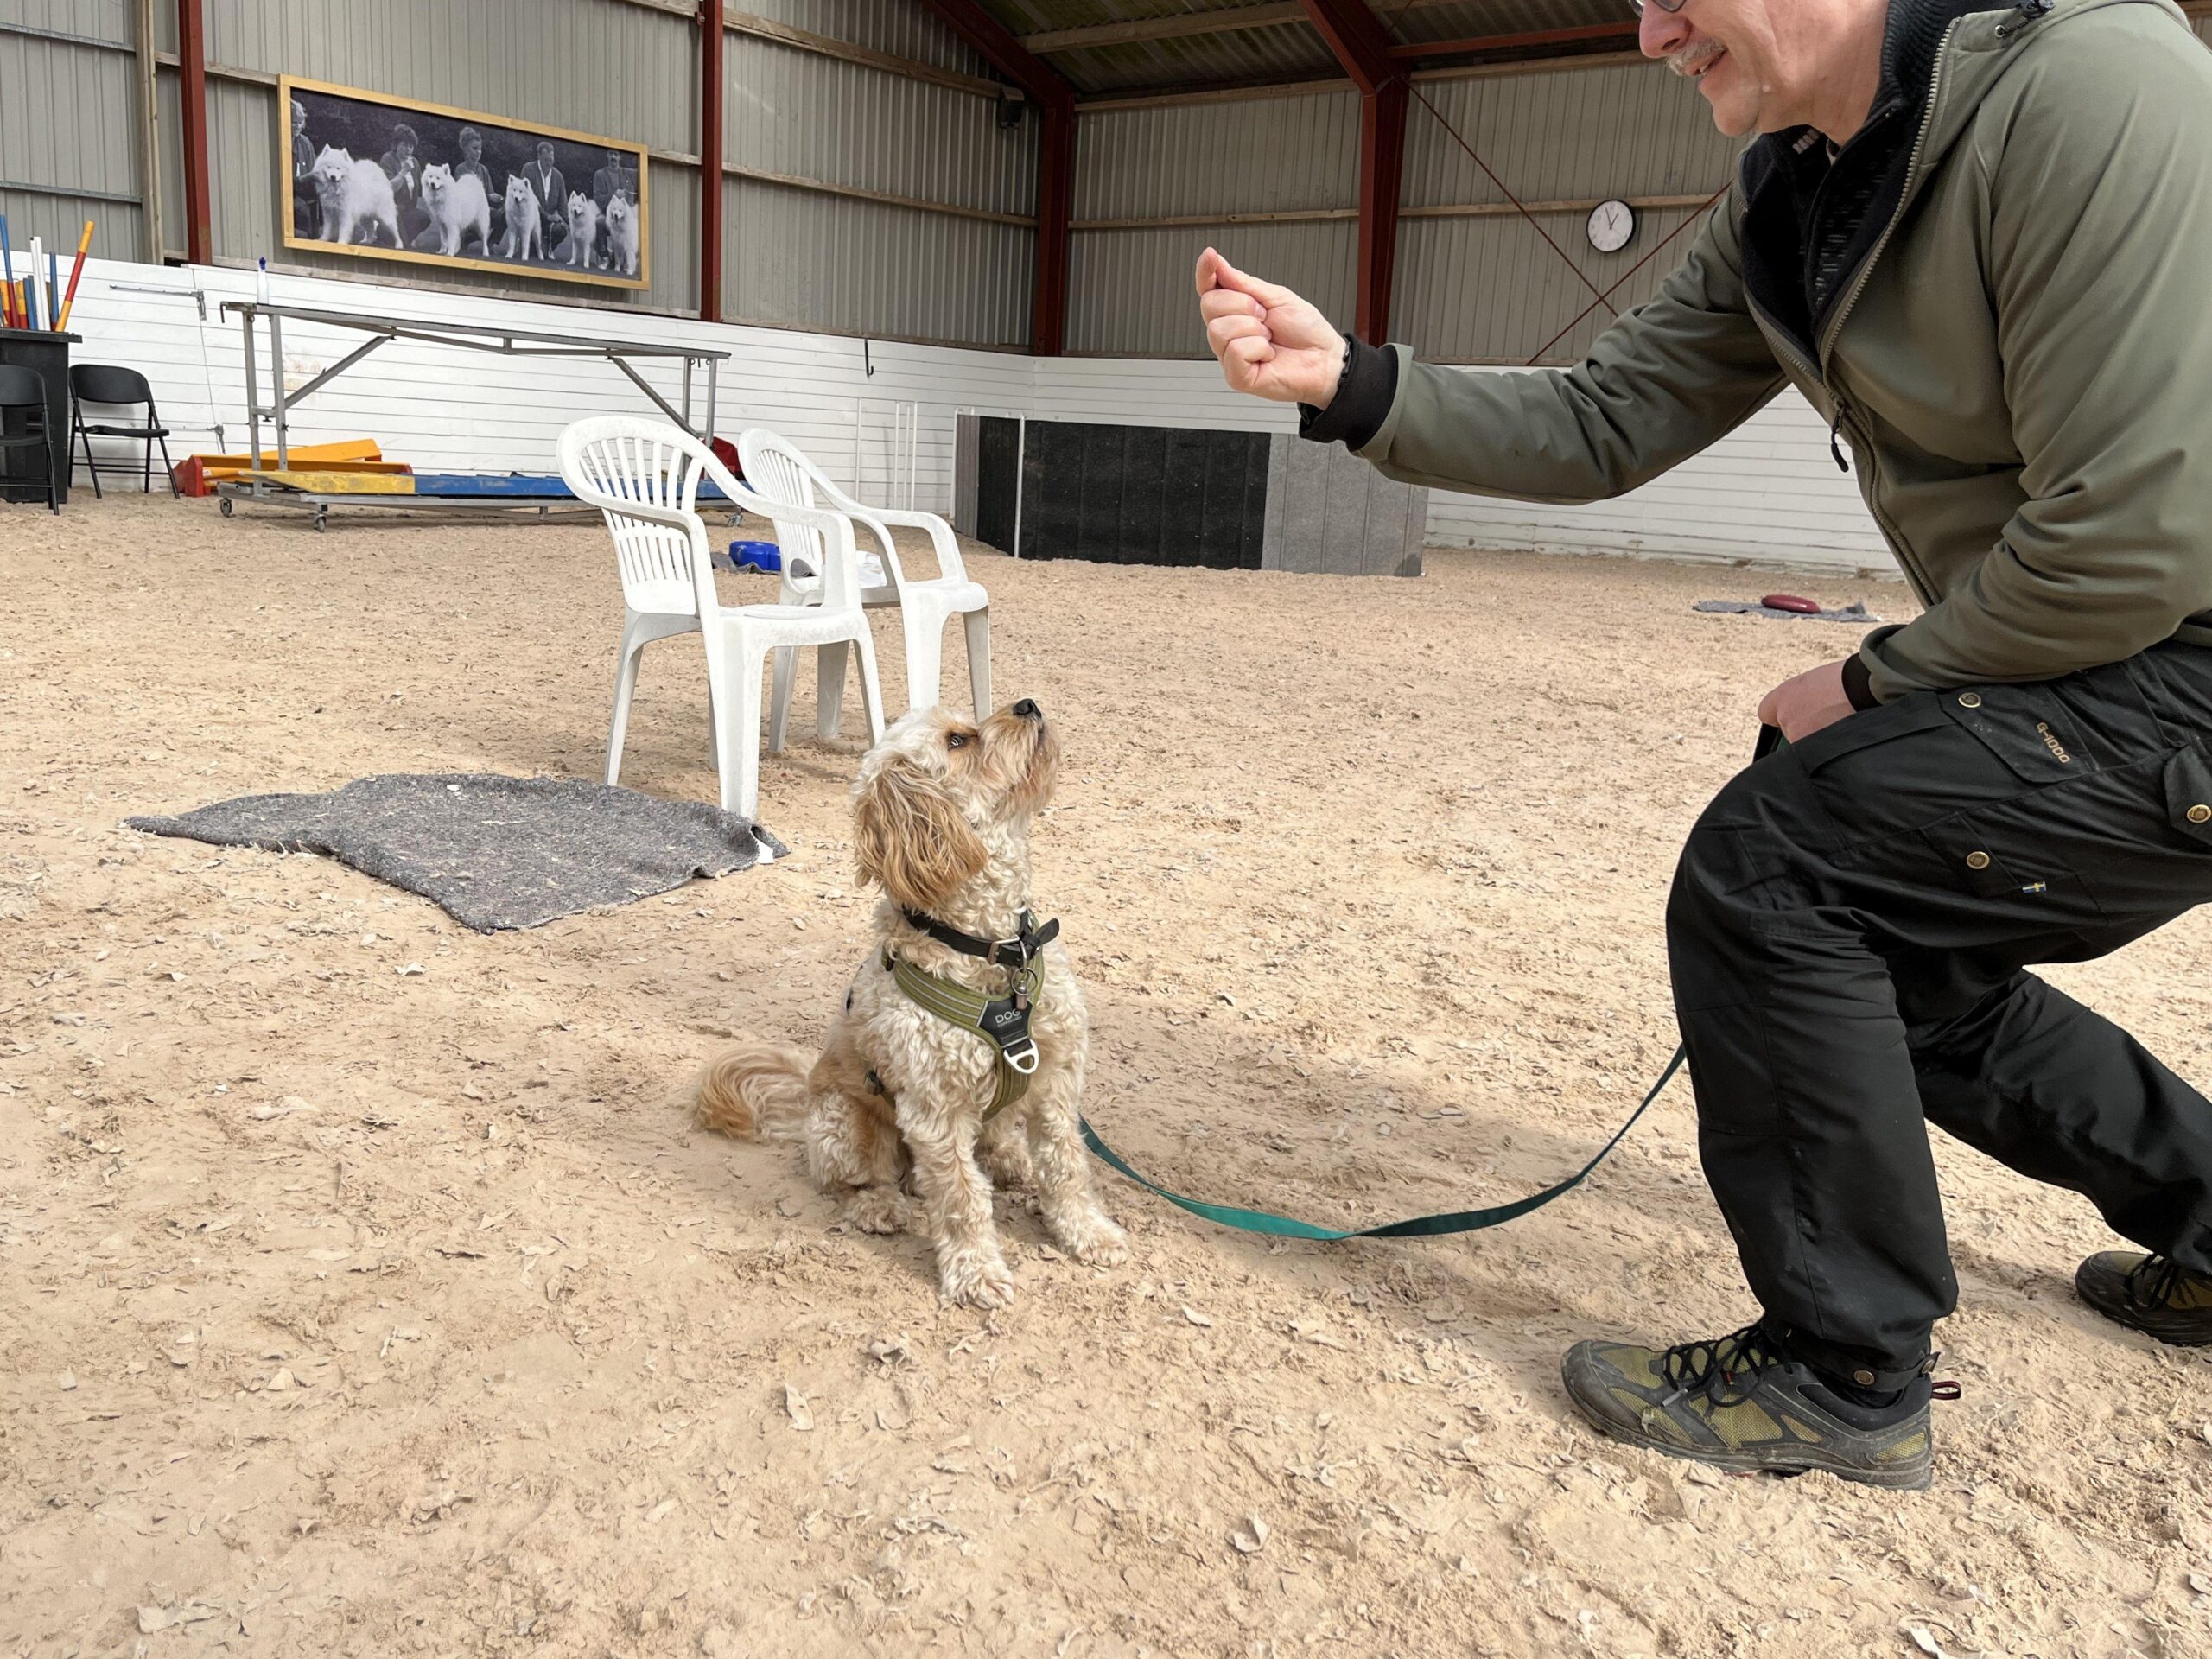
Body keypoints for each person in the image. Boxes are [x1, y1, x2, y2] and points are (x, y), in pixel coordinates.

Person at [1198, 0, 2212, 1490]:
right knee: (1895, 957)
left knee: (1780, 856)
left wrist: (1874, 683)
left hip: (2176, 669)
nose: (1649, 30)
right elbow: (1612, 419)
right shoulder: (1797, 180)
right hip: (2099, 671)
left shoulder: (2093, 85)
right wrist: (1350, 382)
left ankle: (1845, 1368)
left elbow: (2133, 539)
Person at [524, 139, 567, 263]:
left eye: (551, 160)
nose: (549, 164)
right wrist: (547, 216)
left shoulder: (558, 177)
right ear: (539, 157)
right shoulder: (528, 169)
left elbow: (563, 205)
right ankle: (529, 244)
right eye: (546, 160)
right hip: (531, 219)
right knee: (534, 254)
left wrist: (572, 223)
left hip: (548, 223)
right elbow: (528, 199)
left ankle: (548, 247)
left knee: (561, 230)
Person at [289, 99, 320, 238]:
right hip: (291, 196)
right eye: (293, 121)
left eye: (300, 122)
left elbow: (314, 171)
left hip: (307, 193)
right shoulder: (282, 143)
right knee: (302, 209)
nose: (297, 126)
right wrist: (303, 179)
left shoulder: (306, 143)